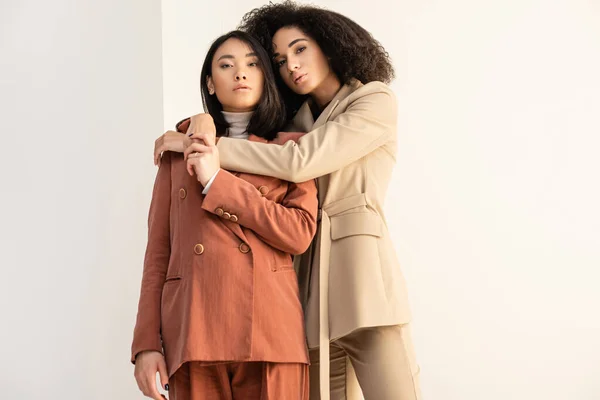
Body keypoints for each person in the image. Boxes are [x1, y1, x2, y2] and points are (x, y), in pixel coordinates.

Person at [156, 2, 422, 399]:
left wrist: (208, 147)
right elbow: (246, 125)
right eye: (279, 60)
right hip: (305, 285)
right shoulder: (294, 124)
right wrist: (199, 123)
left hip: (362, 278)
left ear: (329, 45)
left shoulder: (373, 101)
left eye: (300, 49)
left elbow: (299, 161)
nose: (291, 66)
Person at [132, 30, 318, 400]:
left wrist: (217, 181)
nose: (241, 73)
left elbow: (298, 233)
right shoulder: (176, 155)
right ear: (210, 83)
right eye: (226, 65)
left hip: (270, 331)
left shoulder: (291, 150)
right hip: (193, 328)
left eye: (252, 64)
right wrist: (146, 343)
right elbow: (158, 254)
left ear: (266, 77)